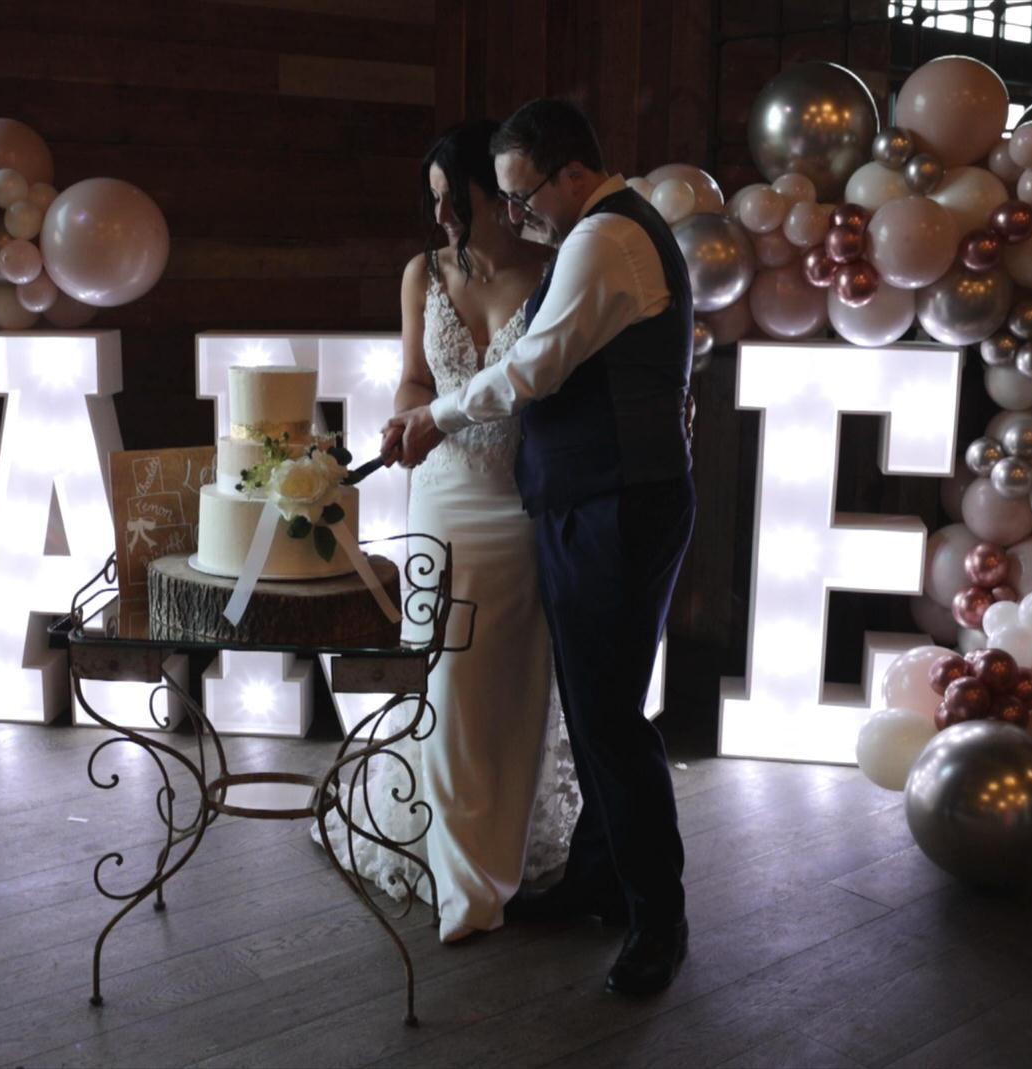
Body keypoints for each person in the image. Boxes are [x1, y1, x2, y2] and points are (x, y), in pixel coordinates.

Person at [387, 98, 696, 996]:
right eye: (509, 200)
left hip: (614, 504)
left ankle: (659, 921)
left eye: (524, 196)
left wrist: (437, 416)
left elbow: (534, 368)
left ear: (573, 172)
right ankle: (598, 877)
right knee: (596, 706)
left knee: (608, 719)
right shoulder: (599, 232)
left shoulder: (603, 239)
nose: (521, 215)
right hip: (583, 500)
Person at [313, 119, 579, 946]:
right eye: (431, 202)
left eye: (449, 199)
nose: (439, 218)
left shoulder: (554, 270)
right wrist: (406, 418)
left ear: (492, 197)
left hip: (519, 504)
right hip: (441, 499)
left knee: (513, 685)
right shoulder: (422, 273)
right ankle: (464, 876)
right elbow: (413, 377)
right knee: (445, 682)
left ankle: (500, 848)